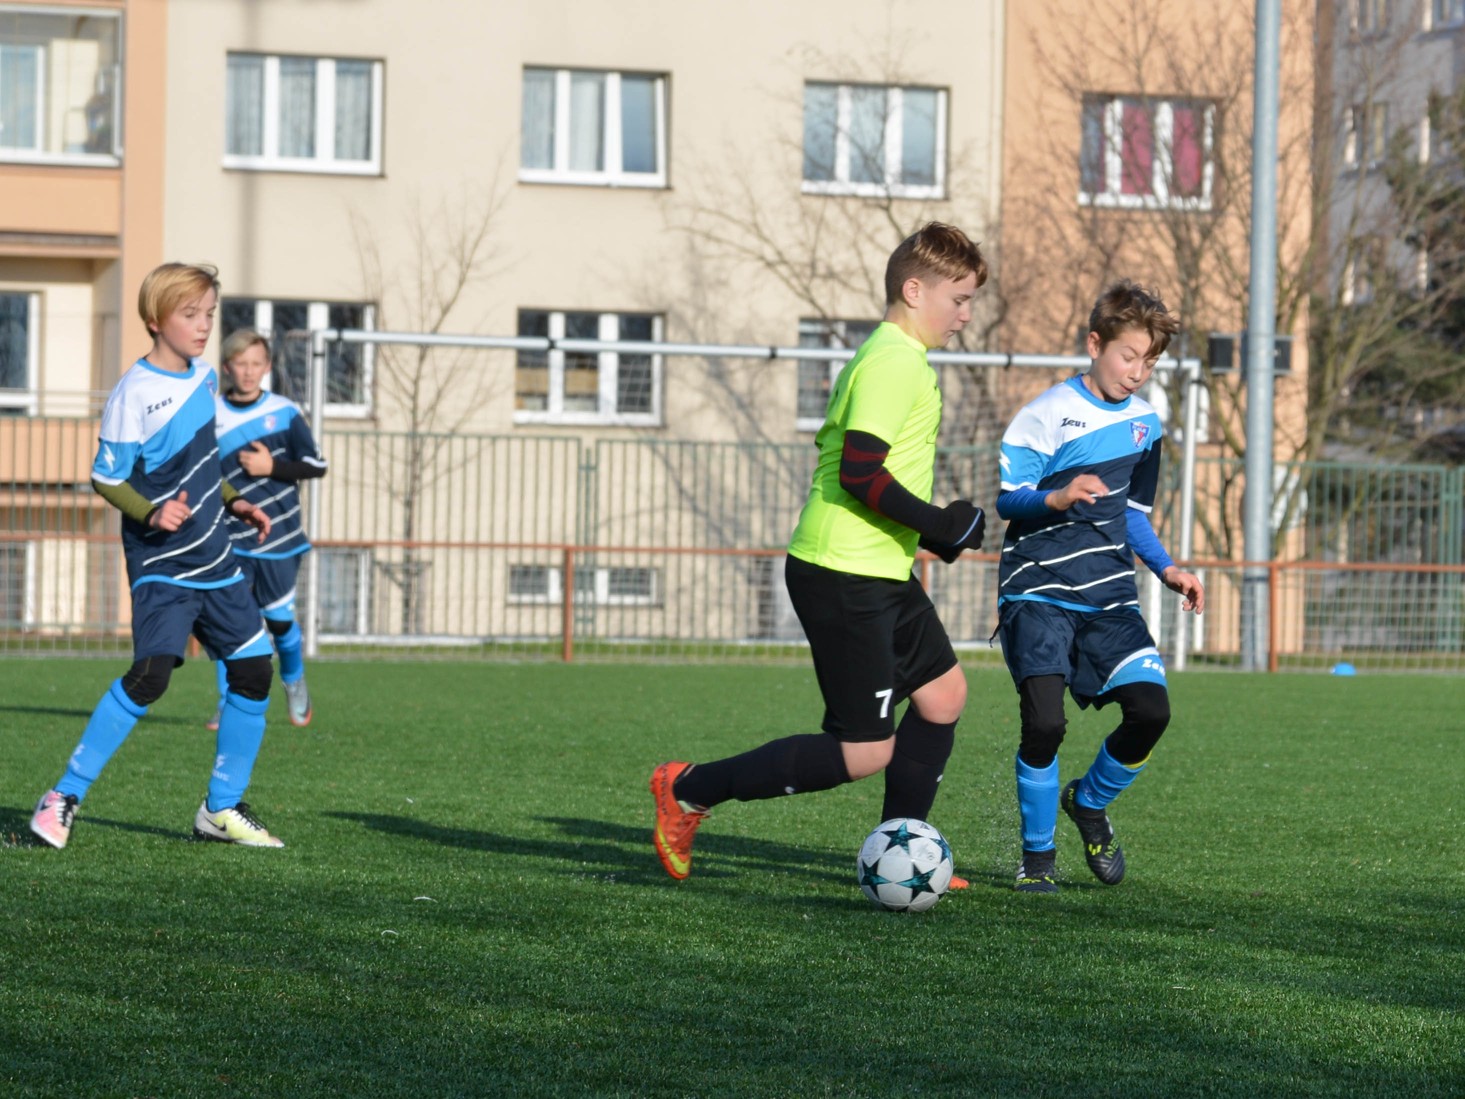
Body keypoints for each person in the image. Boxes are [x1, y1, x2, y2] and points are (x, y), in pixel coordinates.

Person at [651, 222, 989, 883]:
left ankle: (905, 850)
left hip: (877, 568)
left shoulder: (897, 357)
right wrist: (939, 524)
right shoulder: (892, 362)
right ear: (913, 290)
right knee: (864, 751)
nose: (965, 315)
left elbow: (859, 470)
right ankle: (687, 788)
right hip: (842, 572)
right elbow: (860, 473)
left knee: (943, 696)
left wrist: (931, 534)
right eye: (959, 299)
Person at [29, 263, 286, 850]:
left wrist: (235, 501)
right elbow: (106, 476)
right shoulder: (135, 393)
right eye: (189, 314)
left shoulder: (203, 379)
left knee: (253, 671)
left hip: (216, 560)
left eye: (209, 314)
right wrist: (151, 513)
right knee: (151, 676)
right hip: (164, 565)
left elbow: (203, 462)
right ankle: (62, 797)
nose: (204, 326)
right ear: (155, 319)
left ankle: (220, 809)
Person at [994, 279, 1204, 893]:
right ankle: (1037, 861)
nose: (1137, 372)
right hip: (1037, 591)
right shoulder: (1044, 414)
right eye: (1128, 356)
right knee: (1045, 725)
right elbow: (1008, 499)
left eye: (1149, 362)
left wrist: (1166, 568)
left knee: (1152, 711)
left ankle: (1088, 802)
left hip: (1110, 595)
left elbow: (1132, 513)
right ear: (1095, 344)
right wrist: (1057, 497)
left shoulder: (1146, 425)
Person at [205, 328, 328, 731]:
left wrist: (272, 467)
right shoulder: (211, 413)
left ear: (267, 367)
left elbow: (317, 465)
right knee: (231, 623)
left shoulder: (284, 412)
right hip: (228, 537)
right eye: (240, 363)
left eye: (256, 363)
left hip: (279, 537)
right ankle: (229, 701)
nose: (248, 371)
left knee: (278, 620)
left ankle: (294, 680)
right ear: (227, 367)